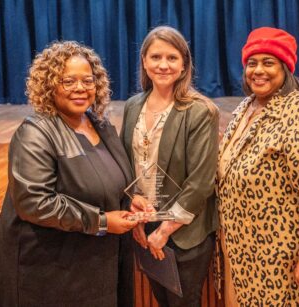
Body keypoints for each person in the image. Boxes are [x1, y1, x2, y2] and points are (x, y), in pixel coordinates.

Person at [0, 41, 137, 307]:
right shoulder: (35, 133)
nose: (80, 88)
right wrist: (101, 221)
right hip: (49, 275)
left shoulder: (100, 125)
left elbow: (113, 179)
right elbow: (34, 203)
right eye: (68, 81)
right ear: (49, 85)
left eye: (88, 81)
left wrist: (130, 198)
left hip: (96, 267)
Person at [216, 26, 299, 306]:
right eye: (252, 63)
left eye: (269, 63)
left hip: (285, 260)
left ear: (286, 69)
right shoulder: (247, 108)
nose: (258, 71)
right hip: (249, 254)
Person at [120, 26, 219, 307]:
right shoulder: (132, 106)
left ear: (184, 64)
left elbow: (200, 182)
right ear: (143, 61)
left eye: (172, 58)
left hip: (182, 232)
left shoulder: (200, 110)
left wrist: (164, 230)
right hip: (145, 225)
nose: (163, 65)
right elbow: (126, 167)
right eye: (155, 57)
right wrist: (134, 217)